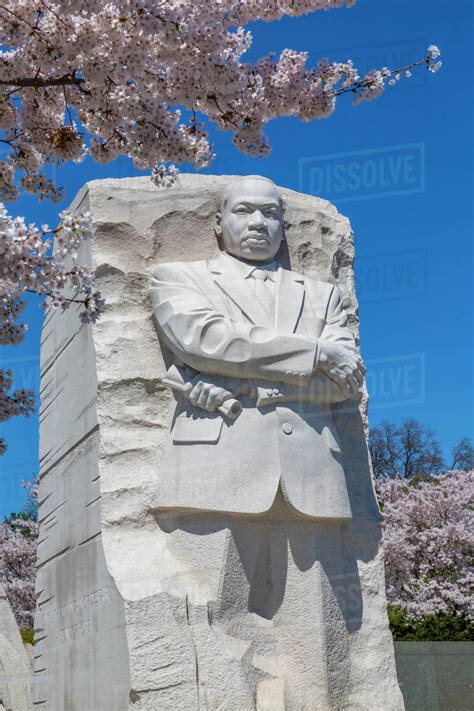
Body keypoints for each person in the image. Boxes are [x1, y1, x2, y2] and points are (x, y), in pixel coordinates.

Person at [150, 175, 365, 519]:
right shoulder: (179, 278)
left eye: (269, 213)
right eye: (244, 210)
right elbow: (208, 341)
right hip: (212, 467)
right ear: (219, 224)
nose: (257, 222)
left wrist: (241, 383)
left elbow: (345, 381)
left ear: (283, 226)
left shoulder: (322, 296)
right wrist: (317, 353)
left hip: (315, 474)